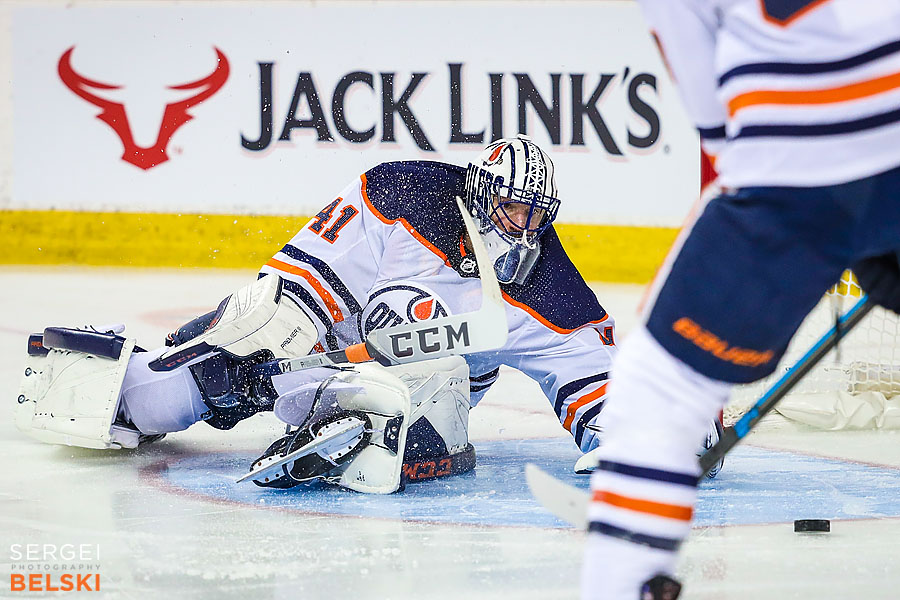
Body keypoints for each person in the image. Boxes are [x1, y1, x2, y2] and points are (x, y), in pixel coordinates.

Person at [19, 135, 668, 493]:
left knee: (386, 399)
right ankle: (124, 391)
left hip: (433, 389)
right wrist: (271, 326)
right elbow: (301, 288)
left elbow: (591, 377)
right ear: (480, 192)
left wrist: (636, 439)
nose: (523, 227)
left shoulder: (552, 289)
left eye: (536, 215)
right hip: (342, 337)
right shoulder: (409, 192)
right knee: (240, 350)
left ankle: (354, 423)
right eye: (511, 208)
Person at [582, 1, 900, 598]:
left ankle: (626, 572)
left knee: (659, 393)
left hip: (798, 168)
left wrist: (806, 211)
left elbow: (714, 112)